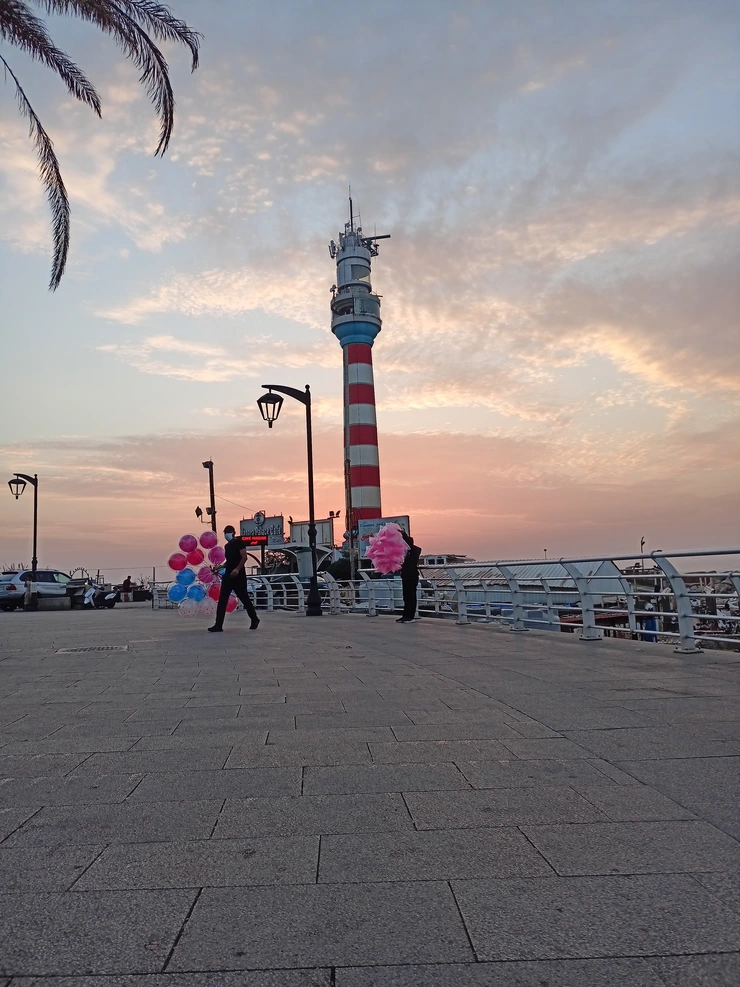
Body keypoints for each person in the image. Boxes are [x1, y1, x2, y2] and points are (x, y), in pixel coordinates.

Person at [208, 525, 260, 633]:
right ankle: (218, 625)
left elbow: (244, 557)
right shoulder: (227, 546)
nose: (226, 534)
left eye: (228, 532)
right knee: (222, 600)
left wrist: (237, 569)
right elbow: (228, 562)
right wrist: (219, 567)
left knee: (244, 598)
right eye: (225, 532)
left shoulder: (239, 543)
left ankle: (254, 619)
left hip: (239, 576)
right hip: (228, 576)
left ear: (233, 532)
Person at [397, 530, 421, 623]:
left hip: (412, 576)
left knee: (411, 597)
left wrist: (403, 534)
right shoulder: (403, 553)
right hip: (405, 577)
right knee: (406, 597)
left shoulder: (414, 551)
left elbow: (409, 542)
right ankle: (405, 615)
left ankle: (410, 616)